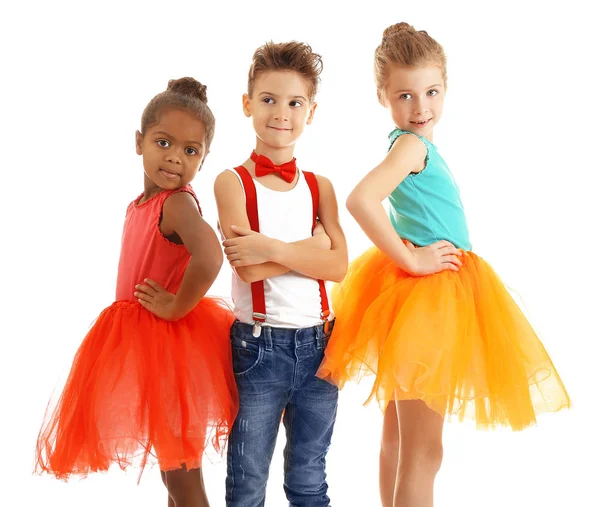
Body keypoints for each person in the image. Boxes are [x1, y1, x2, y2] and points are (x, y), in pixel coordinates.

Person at [316, 22, 571, 507]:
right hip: (430, 303)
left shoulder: (413, 145)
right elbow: (361, 200)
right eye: (405, 95)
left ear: (446, 87)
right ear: (382, 96)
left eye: (431, 92)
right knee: (425, 451)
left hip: (419, 301)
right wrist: (412, 258)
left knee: (399, 440)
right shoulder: (411, 146)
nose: (420, 107)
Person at [35, 77, 238, 507]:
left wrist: (176, 305)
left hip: (169, 349)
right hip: (145, 346)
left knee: (181, 474)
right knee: (173, 468)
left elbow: (210, 257)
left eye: (190, 150)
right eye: (163, 142)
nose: (174, 158)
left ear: (203, 159)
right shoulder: (141, 204)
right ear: (139, 141)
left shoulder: (177, 203)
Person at [214, 41, 348, 507]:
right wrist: (309, 249)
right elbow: (244, 264)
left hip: (321, 347)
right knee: (248, 480)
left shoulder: (320, 187)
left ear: (311, 112)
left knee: (310, 477)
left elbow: (339, 266)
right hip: (258, 348)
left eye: (295, 103)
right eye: (268, 99)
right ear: (248, 103)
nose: (281, 113)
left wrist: (271, 247)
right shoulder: (232, 182)